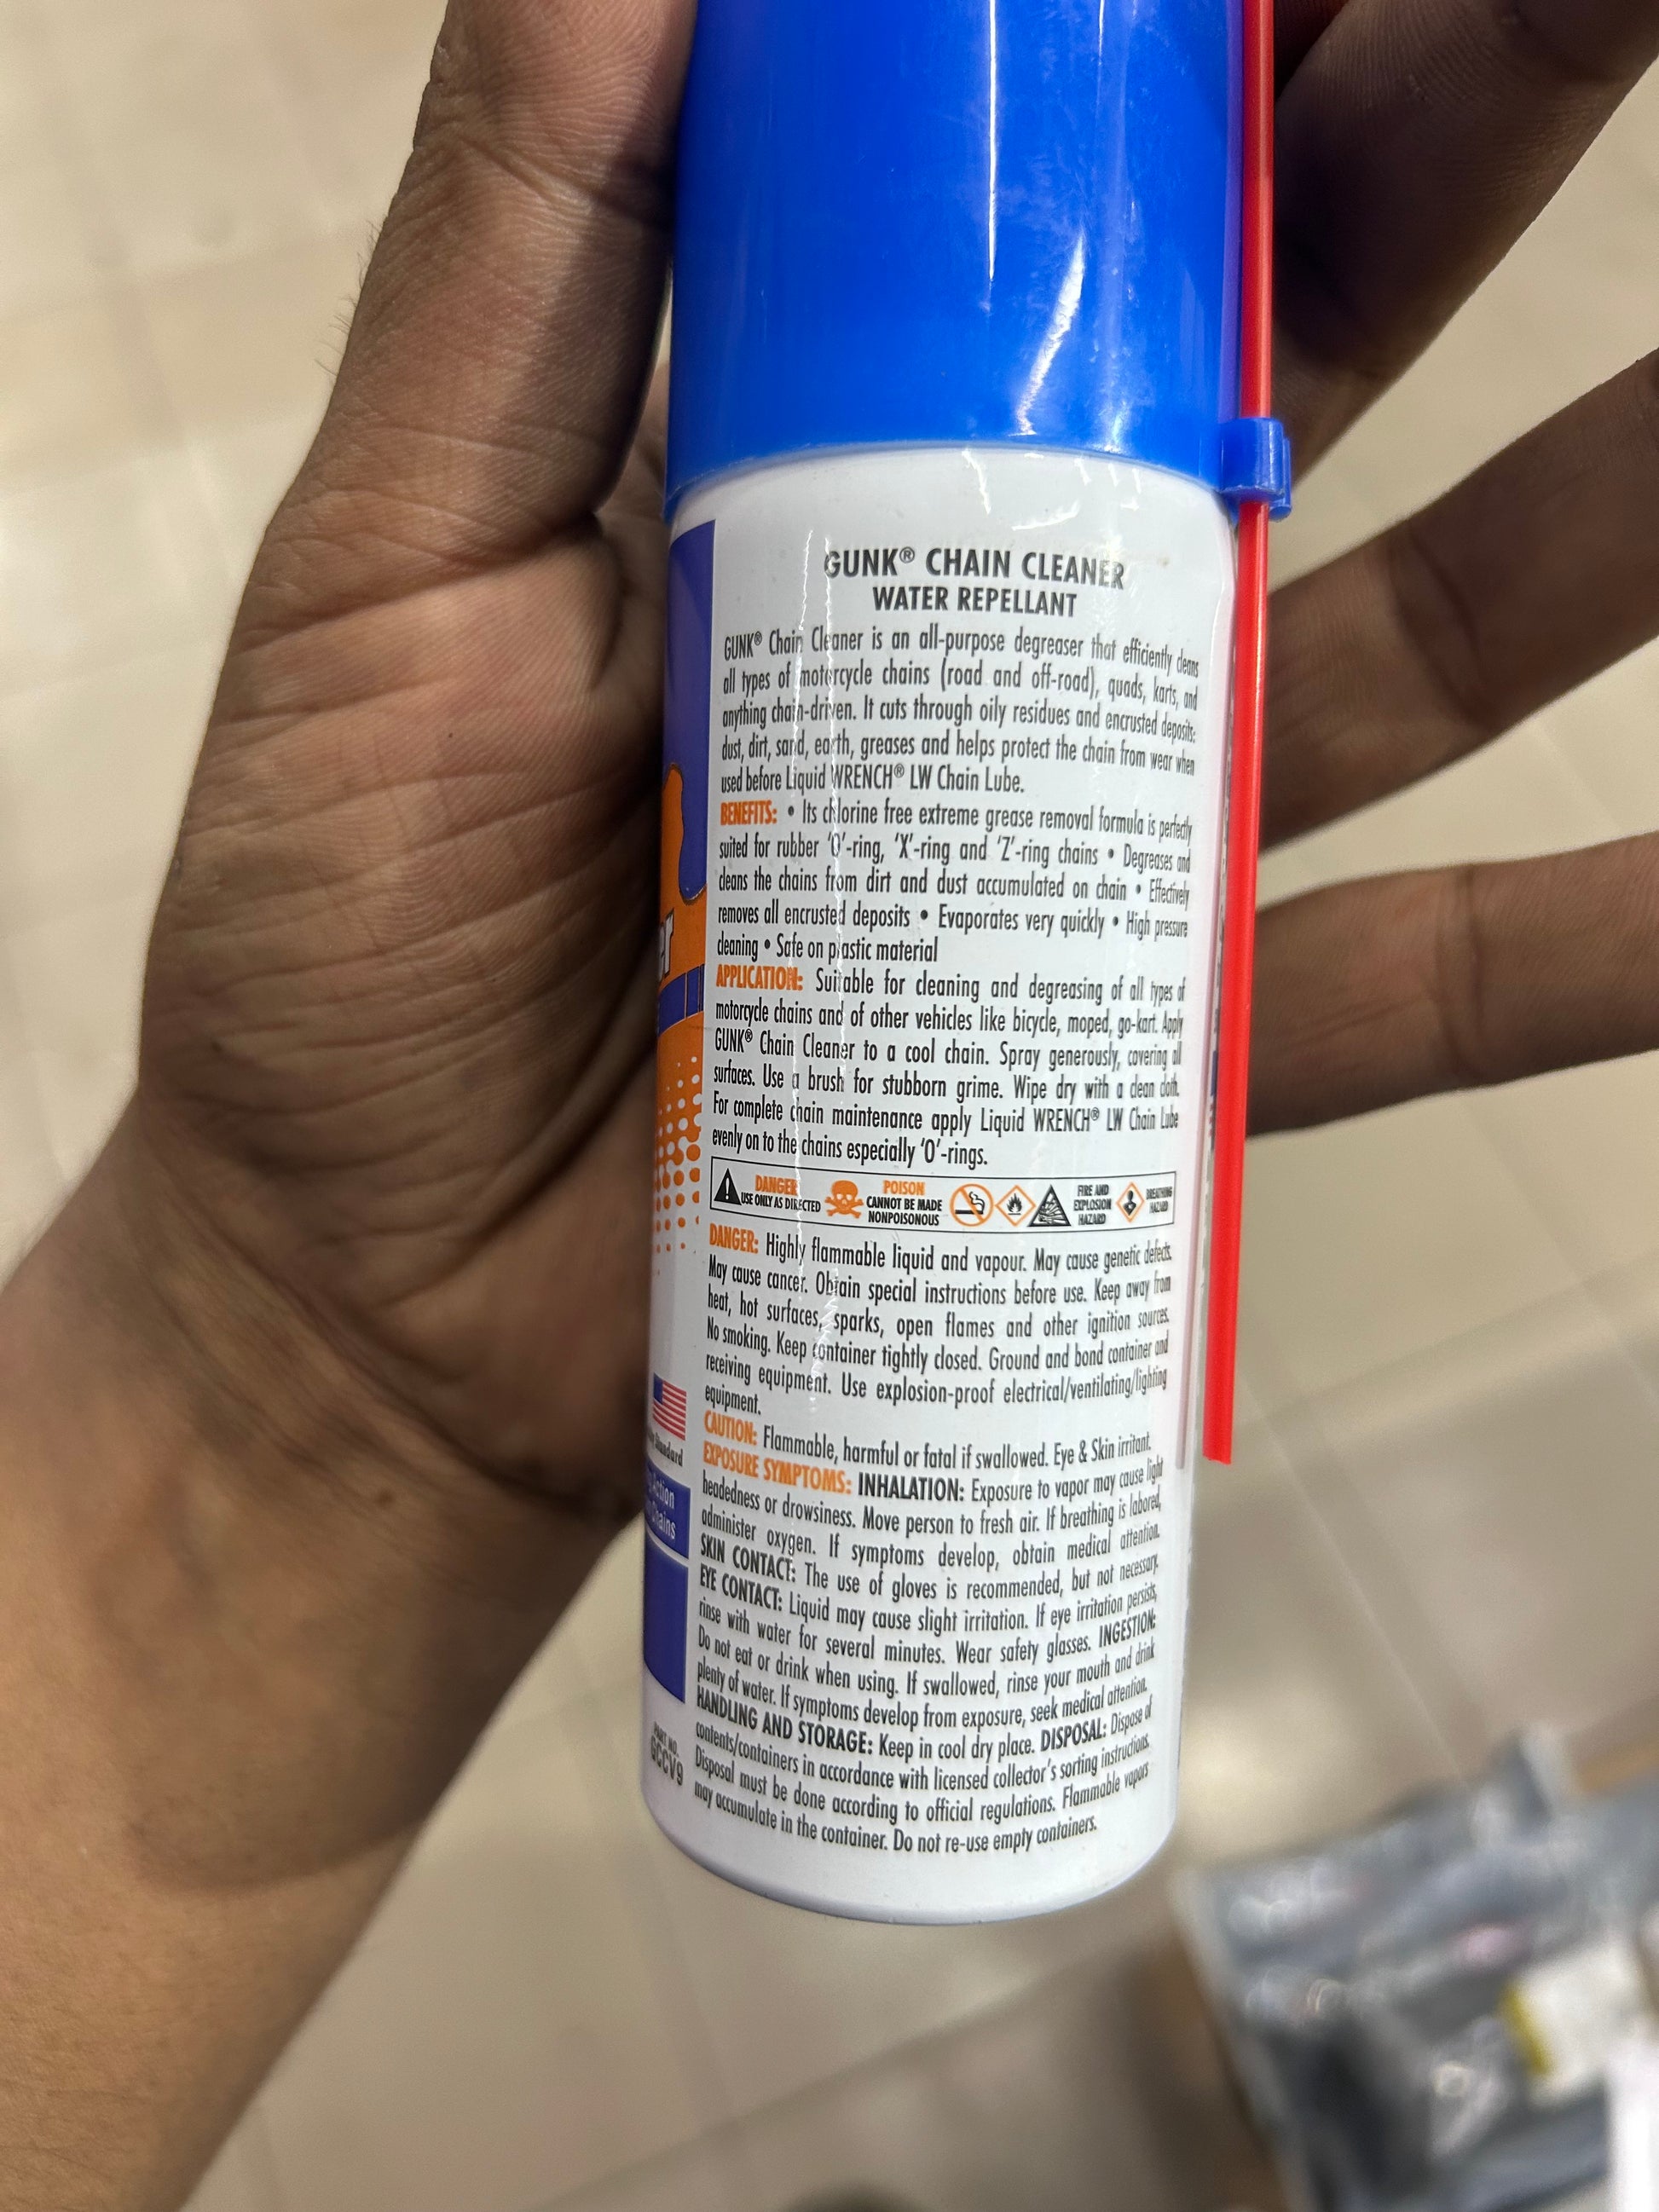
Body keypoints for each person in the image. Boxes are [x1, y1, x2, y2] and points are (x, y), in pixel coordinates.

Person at [3, 1, 1657, 2205]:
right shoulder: (795, 546)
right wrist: (275, 1352)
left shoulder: (1112, 528)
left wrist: (282, 1388)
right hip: (899, 513)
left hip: (1093, 509)